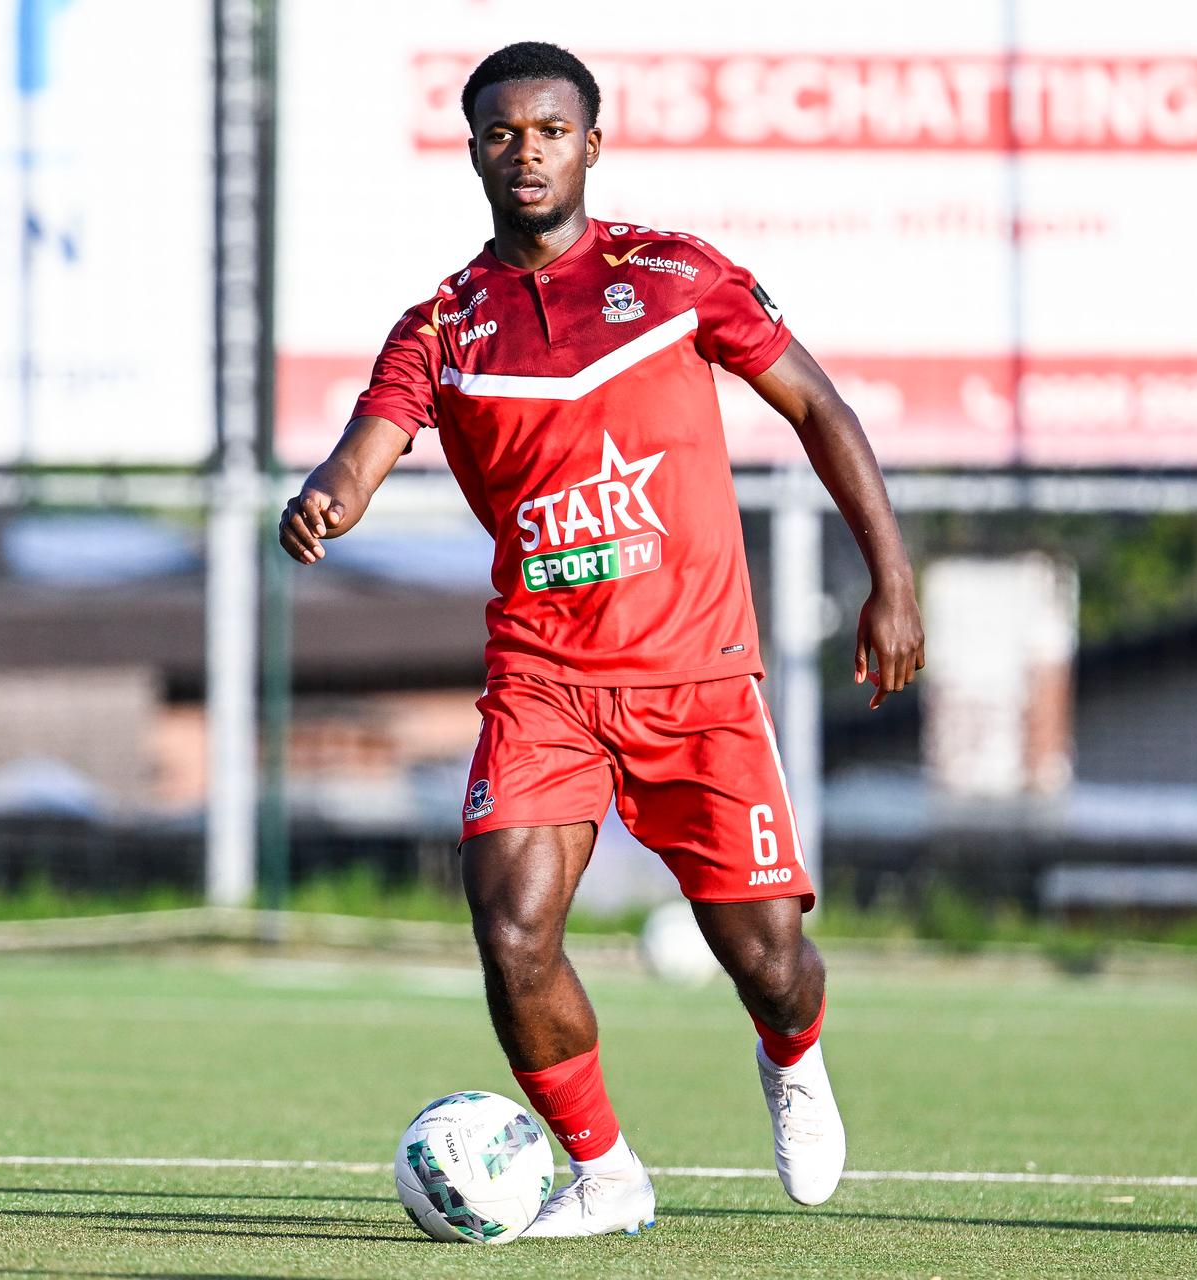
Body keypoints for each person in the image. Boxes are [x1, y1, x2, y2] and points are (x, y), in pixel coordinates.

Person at [278, 41, 925, 1238]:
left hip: (698, 676)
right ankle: (608, 1172)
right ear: (473, 148)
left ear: (592, 141)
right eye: (502, 132)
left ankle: (792, 1054)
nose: (527, 150)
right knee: (511, 923)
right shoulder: (444, 324)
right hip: (546, 681)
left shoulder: (674, 275)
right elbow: (366, 443)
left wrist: (891, 575)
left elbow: (820, 406)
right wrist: (326, 497)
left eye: (550, 129)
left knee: (771, 958)